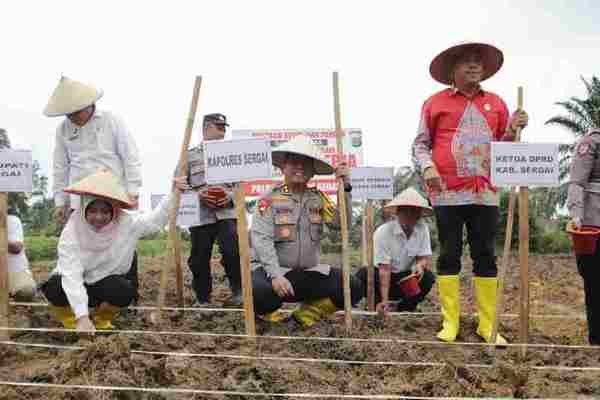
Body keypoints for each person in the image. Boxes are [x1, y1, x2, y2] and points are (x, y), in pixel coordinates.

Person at [412, 42, 528, 344]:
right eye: (467, 62)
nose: (474, 66)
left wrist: (516, 129)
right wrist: (427, 168)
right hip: (446, 192)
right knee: (449, 254)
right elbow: (420, 143)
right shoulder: (434, 103)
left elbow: (505, 146)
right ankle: (450, 323)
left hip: (485, 193)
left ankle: (487, 325)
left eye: (478, 62)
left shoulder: (498, 103)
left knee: (485, 255)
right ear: (453, 69)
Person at [40, 170, 186, 334]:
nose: (99, 217)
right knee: (54, 287)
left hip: (103, 286)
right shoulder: (72, 231)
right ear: (84, 209)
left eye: (105, 211)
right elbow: (71, 275)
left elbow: (154, 221)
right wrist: (81, 317)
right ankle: (72, 322)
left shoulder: (126, 223)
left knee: (122, 290)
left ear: (114, 211)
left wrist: (173, 194)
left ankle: (102, 320)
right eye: (93, 211)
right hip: (76, 285)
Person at [45, 76, 143, 304]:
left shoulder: (111, 120)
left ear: (87, 105)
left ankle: (128, 296)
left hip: (114, 195)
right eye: (67, 113)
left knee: (124, 241)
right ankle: (86, 295)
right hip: (81, 198)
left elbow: (130, 155)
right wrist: (60, 202)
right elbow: (60, 167)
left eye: (74, 112)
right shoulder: (63, 130)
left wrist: (133, 190)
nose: (71, 117)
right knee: (80, 244)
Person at [250, 134, 362, 329]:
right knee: (256, 290)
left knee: (352, 286)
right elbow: (261, 239)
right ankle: (271, 317)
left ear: (312, 171)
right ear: (284, 166)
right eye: (294, 161)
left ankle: (304, 316)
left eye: (306, 163)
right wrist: (275, 275)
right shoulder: (268, 199)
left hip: (308, 273)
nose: (300, 167)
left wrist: (345, 190)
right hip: (276, 272)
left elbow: (341, 224)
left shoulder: (319, 199)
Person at [184, 113, 241, 306]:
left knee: (233, 250)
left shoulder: (231, 155)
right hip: (200, 214)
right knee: (199, 257)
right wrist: (199, 195)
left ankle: (239, 291)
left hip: (227, 213)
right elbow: (179, 184)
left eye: (225, 127)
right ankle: (203, 298)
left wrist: (229, 197)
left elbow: (239, 186)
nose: (223, 131)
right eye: (219, 127)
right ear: (206, 127)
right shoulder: (189, 156)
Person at [356, 188, 435, 314]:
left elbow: (423, 256)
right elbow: (384, 270)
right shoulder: (384, 232)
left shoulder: (422, 229)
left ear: (419, 214)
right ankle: (380, 305)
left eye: (414, 211)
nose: (410, 215)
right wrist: (385, 300)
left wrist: (420, 265)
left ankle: (404, 307)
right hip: (381, 278)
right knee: (363, 275)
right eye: (405, 211)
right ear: (398, 212)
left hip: (404, 280)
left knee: (428, 277)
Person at [567, 128, 600, 345]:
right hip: (592, 224)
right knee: (595, 282)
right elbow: (577, 182)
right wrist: (575, 215)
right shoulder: (590, 142)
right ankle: (597, 338)